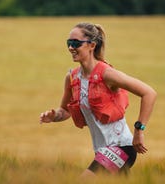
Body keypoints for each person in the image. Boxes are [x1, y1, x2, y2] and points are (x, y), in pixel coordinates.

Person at [40, 22, 157, 177]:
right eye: (69, 43)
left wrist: (139, 130)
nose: (71, 48)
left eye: (76, 43)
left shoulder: (107, 74)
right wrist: (54, 116)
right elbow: (65, 111)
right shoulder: (72, 78)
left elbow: (149, 93)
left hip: (122, 146)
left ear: (92, 45)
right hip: (101, 150)